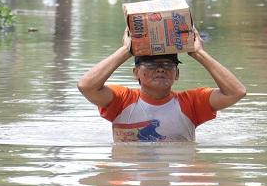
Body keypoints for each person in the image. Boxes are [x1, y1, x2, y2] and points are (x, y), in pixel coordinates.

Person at [77, 29, 246, 142]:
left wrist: (199, 53)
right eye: (151, 65)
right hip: (130, 178)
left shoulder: (191, 102)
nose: (160, 70)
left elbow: (236, 92)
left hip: (176, 178)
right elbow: (86, 86)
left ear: (177, 74)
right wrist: (126, 50)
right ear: (136, 73)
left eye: (167, 65)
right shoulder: (121, 99)